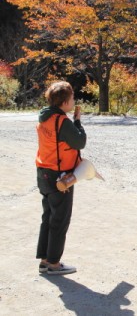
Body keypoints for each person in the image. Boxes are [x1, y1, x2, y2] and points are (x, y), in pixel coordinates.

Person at [36, 81, 86, 275]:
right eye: (72, 98)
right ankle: (54, 264)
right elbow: (80, 142)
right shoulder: (62, 121)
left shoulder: (44, 117)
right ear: (65, 102)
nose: (74, 101)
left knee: (48, 217)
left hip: (43, 172)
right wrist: (78, 122)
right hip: (60, 176)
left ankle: (44, 259)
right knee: (60, 219)